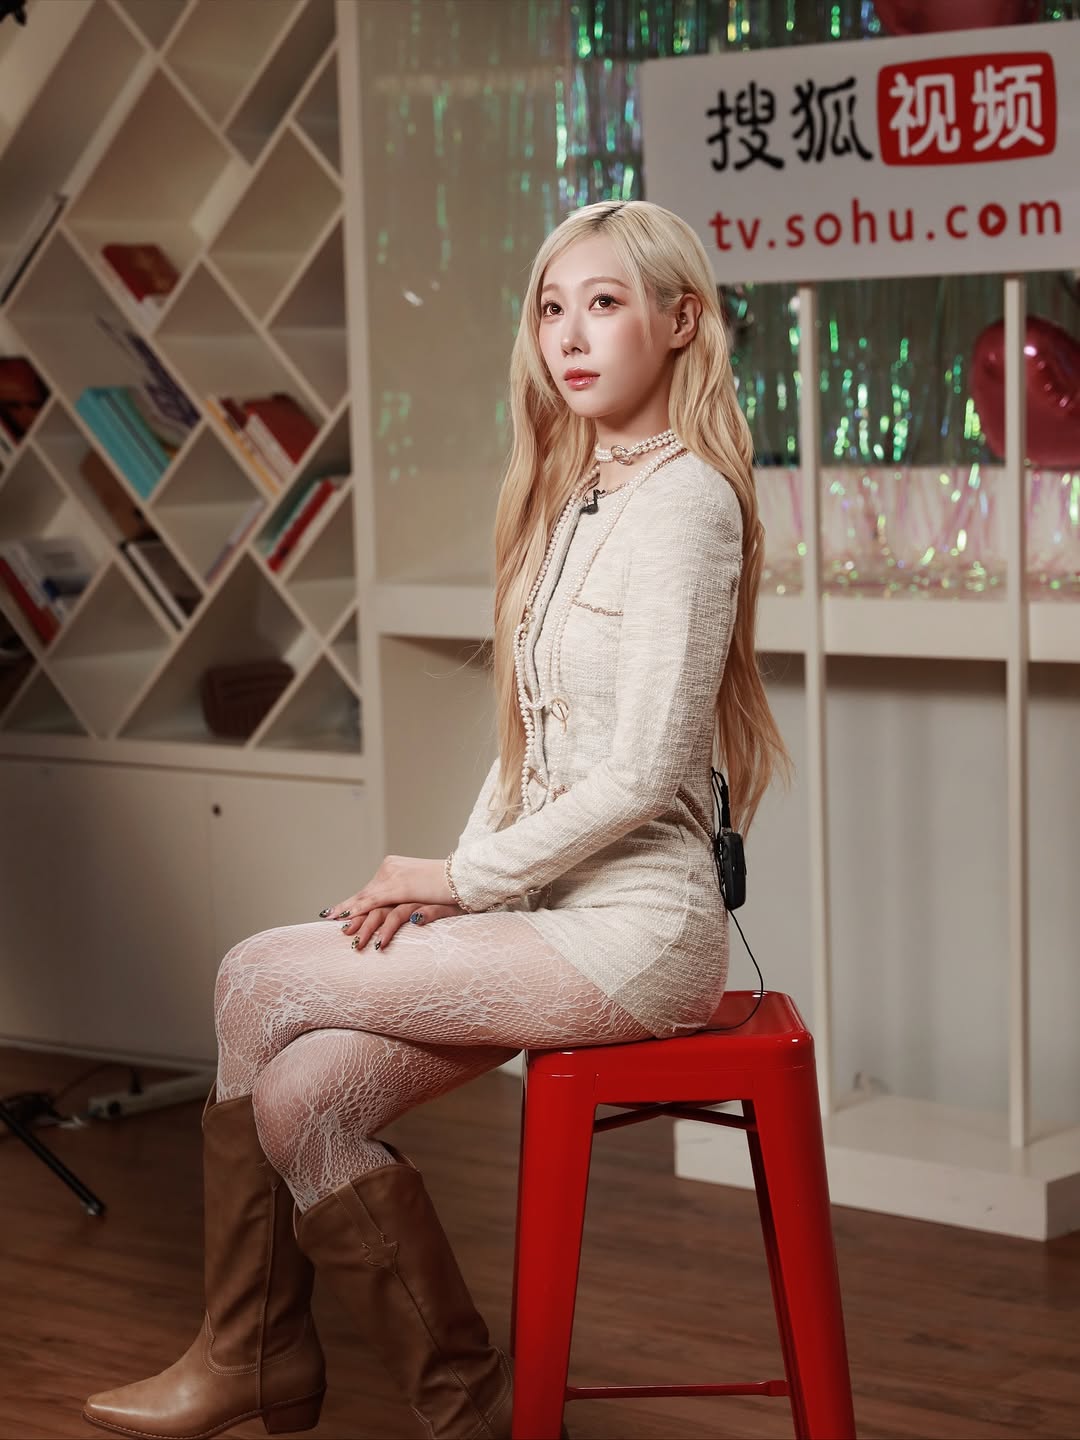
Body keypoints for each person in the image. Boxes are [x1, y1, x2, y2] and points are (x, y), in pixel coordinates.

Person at [82, 198, 789, 1440]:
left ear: (681, 323)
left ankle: (246, 1353)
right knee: (302, 1099)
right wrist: (453, 881)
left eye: (605, 304)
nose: (570, 335)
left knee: (255, 978)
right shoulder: (577, 494)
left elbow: (639, 774)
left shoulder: (688, 504)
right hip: (541, 919)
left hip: (634, 936)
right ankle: (464, 1404)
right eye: (552, 308)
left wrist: (455, 882)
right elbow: (530, 755)